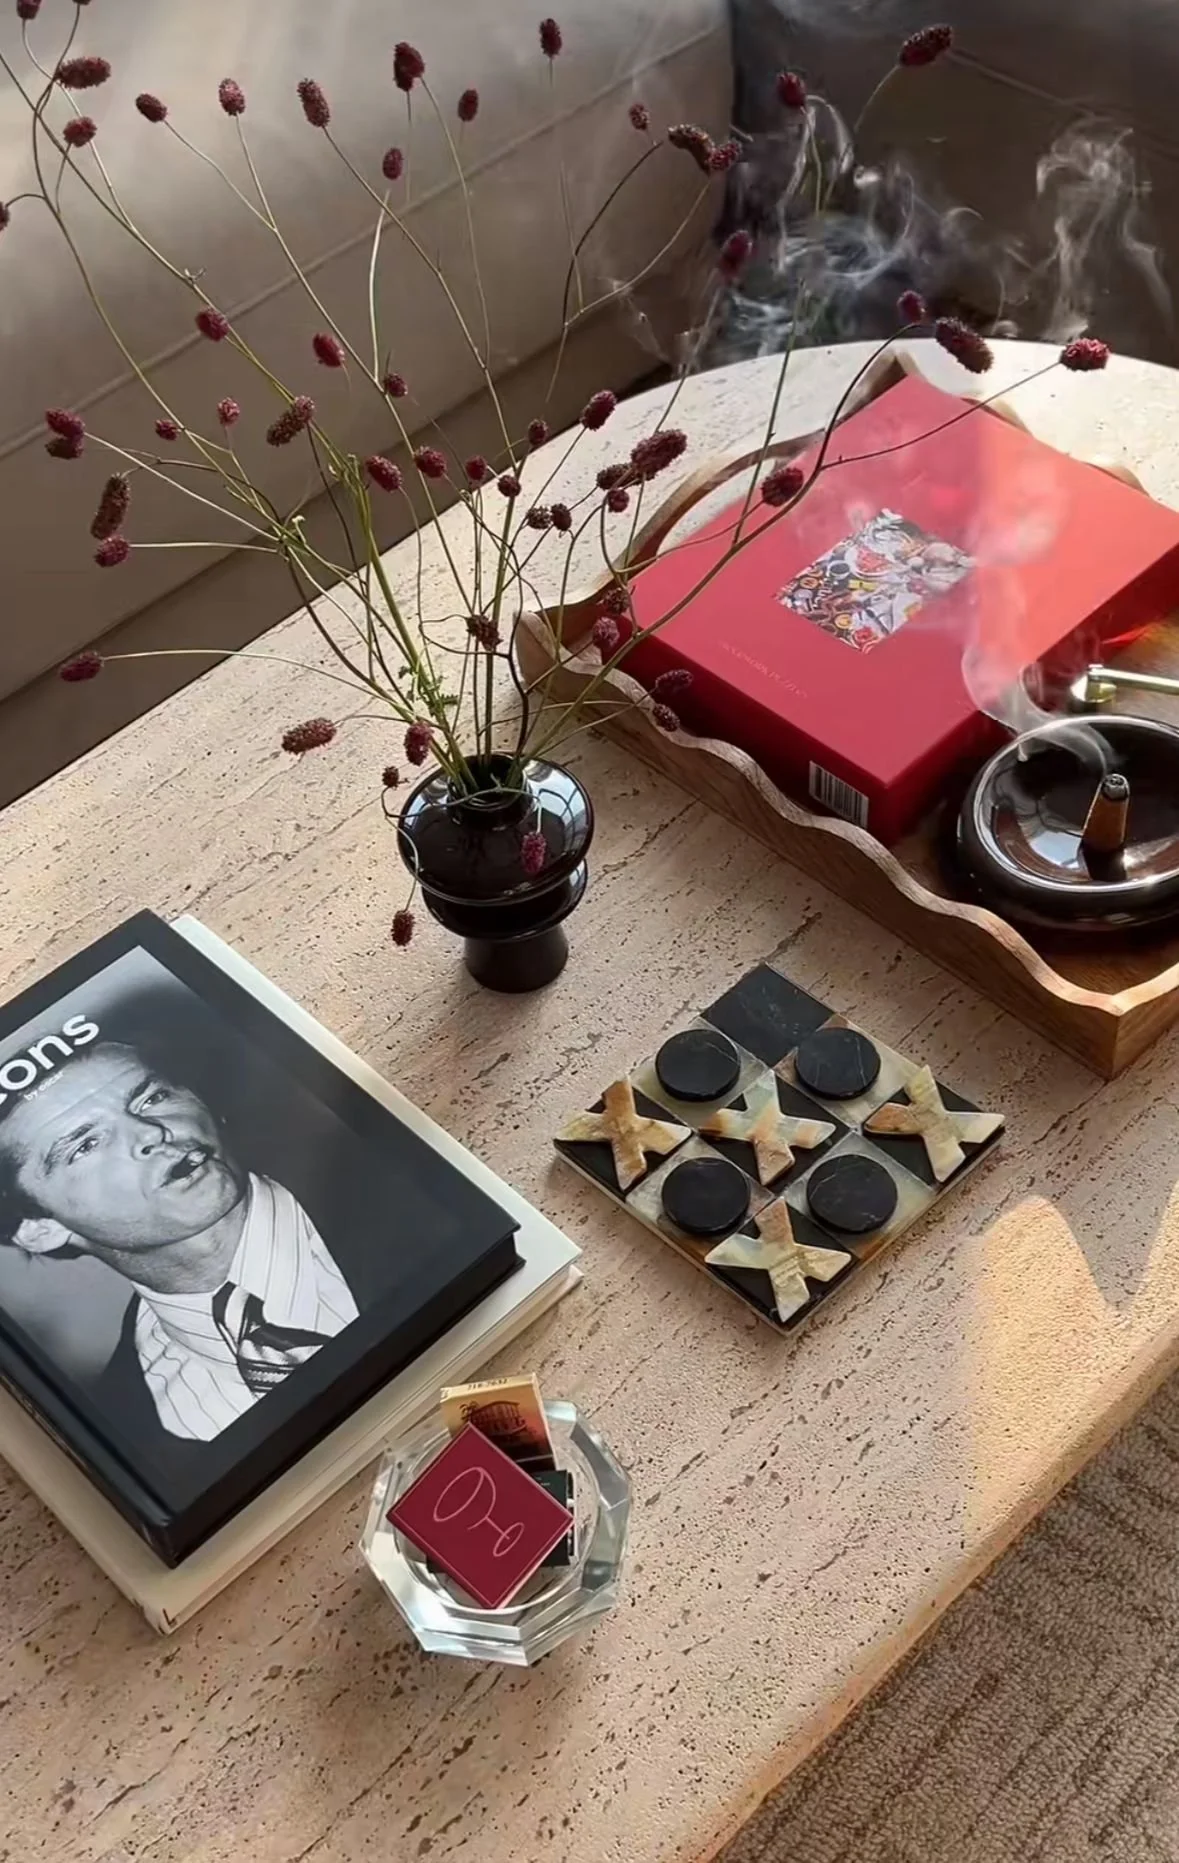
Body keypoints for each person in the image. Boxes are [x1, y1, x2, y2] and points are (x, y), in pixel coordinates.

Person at [0, 1041, 358, 1443]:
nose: (150, 1133)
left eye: (153, 1098)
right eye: (85, 1145)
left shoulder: (400, 1189)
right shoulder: (129, 1426)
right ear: (39, 1228)